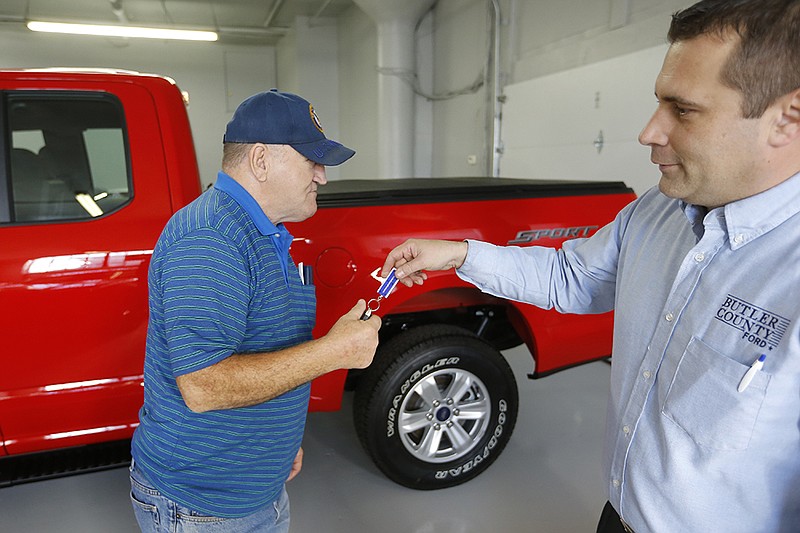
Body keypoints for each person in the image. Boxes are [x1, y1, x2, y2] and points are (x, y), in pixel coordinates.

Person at [380, 1, 800, 531]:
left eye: (684, 109)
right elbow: (574, 278)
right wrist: (458, 254)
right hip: (618, 513)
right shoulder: (657, 211)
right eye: (657, 104)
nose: (649, 132)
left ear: (786, 118)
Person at [129, 89, 381, 532]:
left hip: (259, 487)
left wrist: (280, 445)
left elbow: (265, 349)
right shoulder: (211, 238)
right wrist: (333, 353)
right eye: (311, 161)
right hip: (203, 507)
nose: (322, 176)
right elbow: (203, 385)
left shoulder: (263, 232)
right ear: (261, 160)